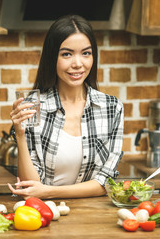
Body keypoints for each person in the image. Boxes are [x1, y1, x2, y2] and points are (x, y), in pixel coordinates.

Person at [8, 15, 124, 199]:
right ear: (52, 57)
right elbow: (29, 190)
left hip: (94, 217)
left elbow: (105, 182)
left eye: (86, 53)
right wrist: (20, 136)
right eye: (66, 54)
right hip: (46, 215)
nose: (78, 63)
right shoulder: (33, 107)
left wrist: (49, 191)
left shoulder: (111, 108)